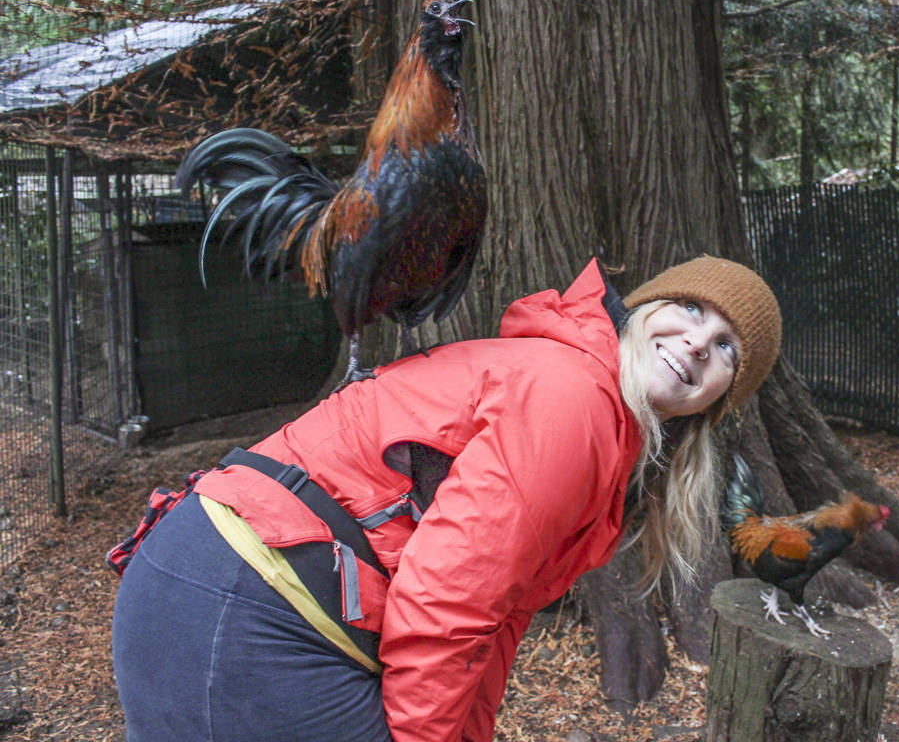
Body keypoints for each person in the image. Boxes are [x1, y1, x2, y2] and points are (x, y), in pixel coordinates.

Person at [109, 255, 781, 742]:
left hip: (213, 588)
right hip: (250, 603)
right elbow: (450, 597)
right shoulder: (572, 398)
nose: (696, 342)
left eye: (726, 347)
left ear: (725, 394)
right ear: (645, 311)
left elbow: (498, 615)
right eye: (690, 310)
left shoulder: (602, 421)